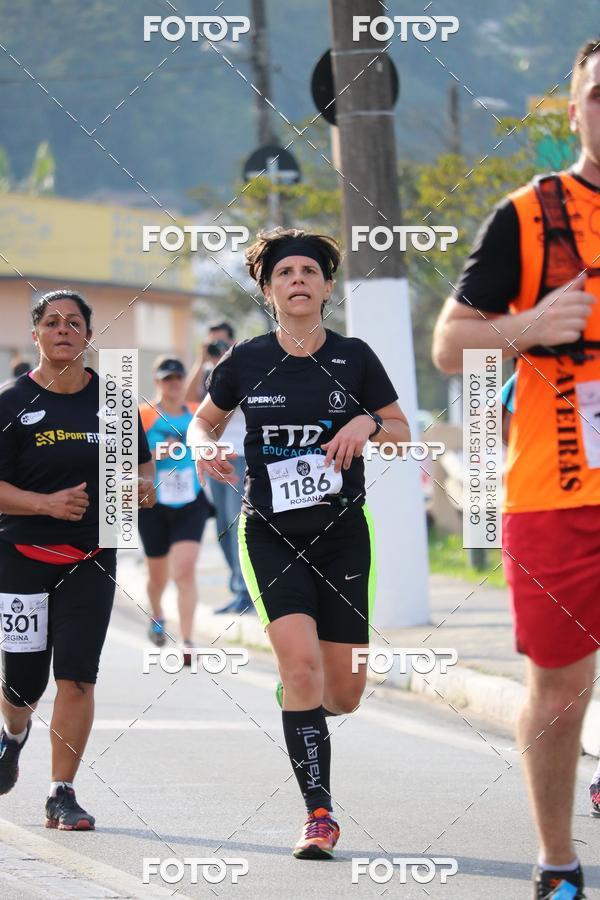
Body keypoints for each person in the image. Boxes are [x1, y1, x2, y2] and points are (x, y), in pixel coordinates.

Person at [432, 37, 600, 899]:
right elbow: (451, 342)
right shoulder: (530, 214)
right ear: (575, 109)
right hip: (556, 490)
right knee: (560, 689)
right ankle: (558, 862)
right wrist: (532, 326)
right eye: (599, 93)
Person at [187, 228, 409, 859]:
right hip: (272, 534)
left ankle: (302, 701)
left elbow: (399, 428)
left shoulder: (356, 356)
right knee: (301, 666)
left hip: (343, 535)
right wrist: (206, 452)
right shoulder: (246, 361)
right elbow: (204, 424)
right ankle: (319, 814)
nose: (298, 280)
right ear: (267, 289)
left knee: (345, 693)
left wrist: (366, 422)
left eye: (310, 271)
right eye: (285, 273)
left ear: (328, 286)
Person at [0, 289, 155, 830]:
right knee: (22, 682)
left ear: (88, 335)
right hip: (21, 555)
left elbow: (140, 467)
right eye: (51, 321)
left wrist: (142, 487)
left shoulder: (113, 403)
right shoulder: (10, 402)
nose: (63, 329)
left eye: (74, 322)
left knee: (78, 676)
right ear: (36, 333)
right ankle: (13, 733)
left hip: (91, 555)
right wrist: (43, 503)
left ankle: (61, 793)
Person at [139, 356, 212, 662]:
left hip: (190, 502)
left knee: (184, 570)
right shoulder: (144, 416)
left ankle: (186, 640)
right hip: (154, 504)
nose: (173, 384)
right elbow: (127, 456)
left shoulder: (196, 413)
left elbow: (208, 439)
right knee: (158, 577)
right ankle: (157, 614)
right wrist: (158, 452)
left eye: (177, 379)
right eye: (166, 379)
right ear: (157, 383)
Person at [185, 323, 252, 614]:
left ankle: (246, 593)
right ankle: (238, 588)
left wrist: (231, 358)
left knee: (240, 525)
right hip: (214, 456)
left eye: (222, 344)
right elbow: (190, 398)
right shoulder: (207, 371)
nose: (218, 349)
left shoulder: (241, 367)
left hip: (241, 457)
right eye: (213, 344)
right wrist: (202, 360)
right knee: (224, 526)